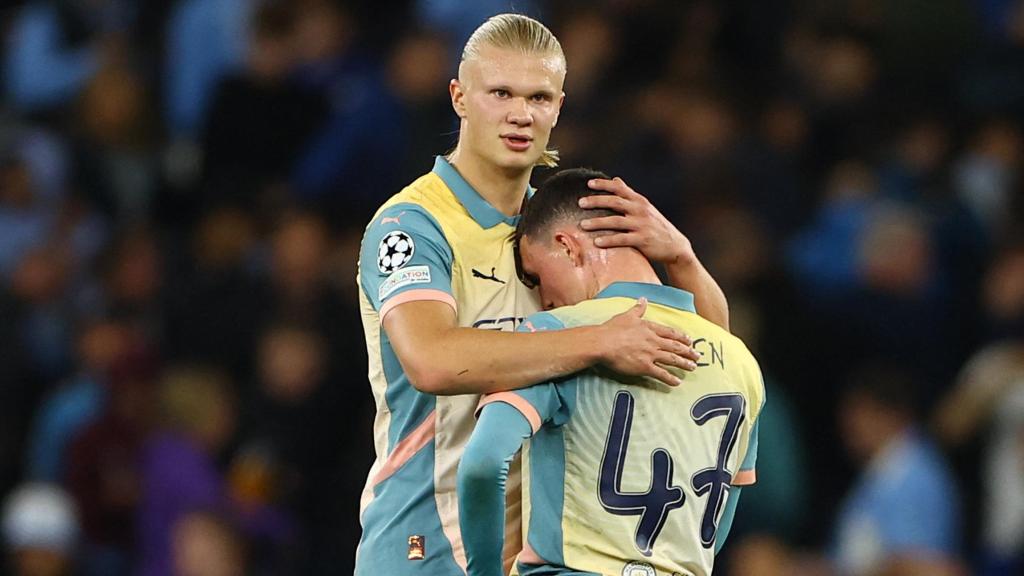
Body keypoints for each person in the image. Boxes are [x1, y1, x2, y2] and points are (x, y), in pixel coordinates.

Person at [356, 13, 729, 576]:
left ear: (559, 106)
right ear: (459, 97)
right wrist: (598, 341)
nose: (520, 114)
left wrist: (681, 257)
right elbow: (431, 360)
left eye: (539, 97)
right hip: (423, 540)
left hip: (535, 555)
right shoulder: (414, 225)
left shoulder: (569, 222)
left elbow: (708, 351)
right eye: (501, 93)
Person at [456, 168, 764, 576]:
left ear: (567, 247)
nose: (542, 299)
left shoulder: (558, 337)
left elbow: (483, 463)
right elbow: (718, 519)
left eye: (535, 276)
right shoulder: (741, 362)